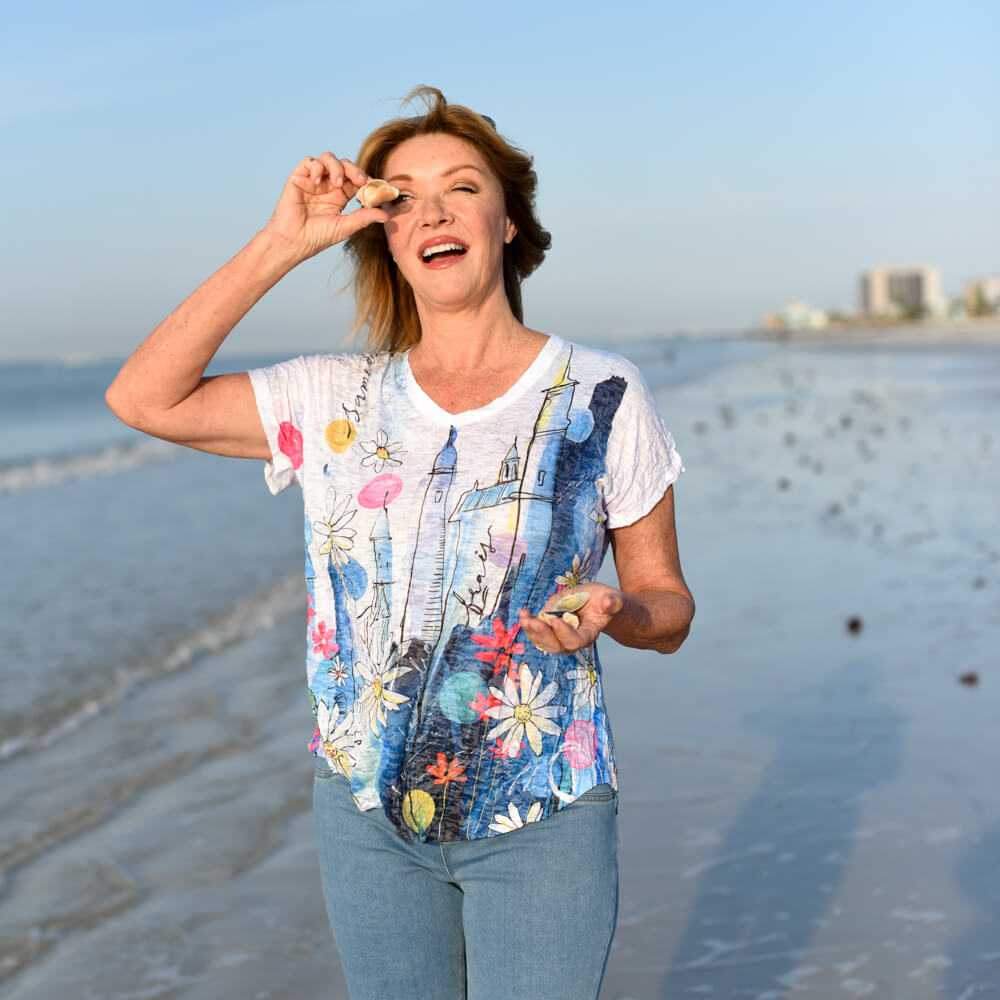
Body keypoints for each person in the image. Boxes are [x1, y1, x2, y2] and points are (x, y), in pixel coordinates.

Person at [106, 86, 695, 1000]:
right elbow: (144, 398)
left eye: (463, 187)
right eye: (403, 198)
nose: (435, 211)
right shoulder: (331, 396)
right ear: (383, 233)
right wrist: (286, 243)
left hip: (542, 809)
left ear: (506, 222)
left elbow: (669, 606)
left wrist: (617, 613)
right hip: (363, 813)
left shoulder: (599, 391)